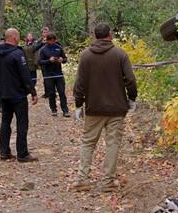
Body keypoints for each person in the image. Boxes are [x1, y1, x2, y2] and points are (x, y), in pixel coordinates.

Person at [73, 23, 137, 193]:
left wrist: (79, 104)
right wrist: (132, 99)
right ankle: (107, 181)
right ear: (110, 35)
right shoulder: (120, 54)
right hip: (116, 108)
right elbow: (130, 79)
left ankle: (82, 179)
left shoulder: (85, 56)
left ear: (95, 36)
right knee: (112, 144)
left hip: (94, 107)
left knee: (88, 143)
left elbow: (79, 83)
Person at [0, 28, 39, 162]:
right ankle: (22, 153)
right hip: (17, 95)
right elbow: (25, 74)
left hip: (3, 93)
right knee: (22, 123)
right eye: (18, 37)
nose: (19, 39)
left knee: (5, 122)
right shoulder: (18, 54)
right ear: (13, 37)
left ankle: (4, 152)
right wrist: (33, 91)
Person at [37, 33, 69, 117]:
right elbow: (40, 62)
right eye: (50, 40)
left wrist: (62, 60)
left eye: (53, 40)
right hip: (48, 75)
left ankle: (65, 110)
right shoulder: (43, 50)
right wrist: (49, 60)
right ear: (47, 40)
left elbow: (65, 59)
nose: (52, 42)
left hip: (59, 74)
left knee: (62, 92)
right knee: (51, 93)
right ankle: (53, 109)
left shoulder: (59, 48)